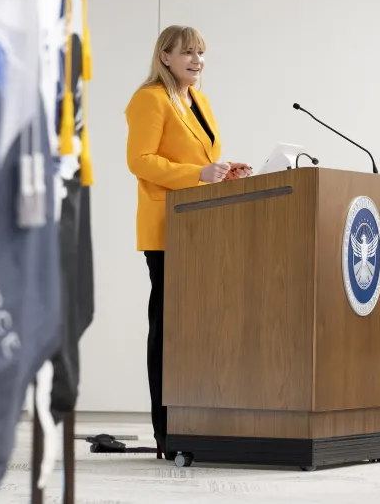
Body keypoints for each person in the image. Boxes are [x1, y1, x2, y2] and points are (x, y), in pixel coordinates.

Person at [125, 25, 251, 459]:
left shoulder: (199, 100)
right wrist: (197, 175)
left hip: (200, 228)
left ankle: (197, 422)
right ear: (164, 56)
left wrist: (221, 169)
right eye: (187, 53)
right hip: (166, 229)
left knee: (196, 329)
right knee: (168, 330)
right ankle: (166, 431)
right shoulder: (150, 99)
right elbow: (139, 161)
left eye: (200, 53)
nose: (197, 60)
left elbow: (198, 158)